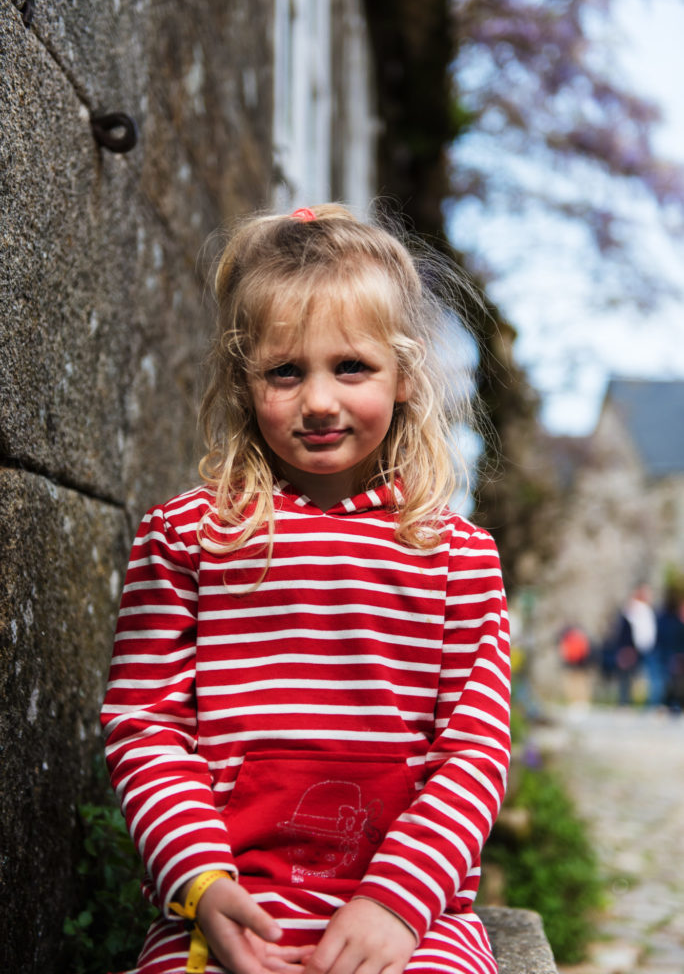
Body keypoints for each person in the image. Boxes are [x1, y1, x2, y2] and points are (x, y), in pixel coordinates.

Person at [101, 204, 511, 974]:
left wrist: (396, 905)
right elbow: (146, 725)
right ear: (243, 381)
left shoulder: (457, 558)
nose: (318, 400)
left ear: (406, 375)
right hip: (231, 907)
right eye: (285, 372)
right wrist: (201, 883)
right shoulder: (187, 538)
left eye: (351, 367)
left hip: (410, 916)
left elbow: (473, 751)